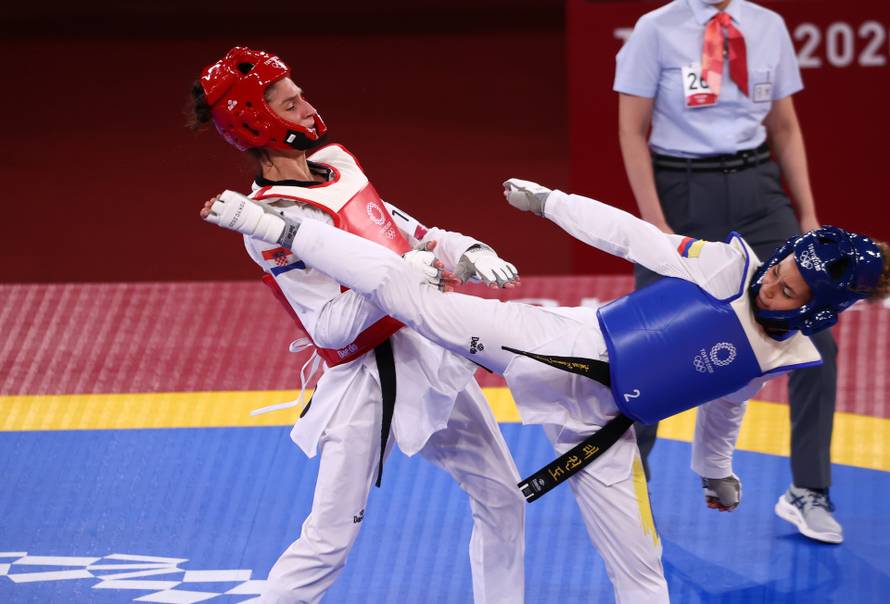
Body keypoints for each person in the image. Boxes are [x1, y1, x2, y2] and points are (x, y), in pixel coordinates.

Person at [202, 178, 886, 601]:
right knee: (411, 294)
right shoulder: (726, 266)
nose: (771, 281)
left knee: (642, 570)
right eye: (781, 266)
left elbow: (724, 404)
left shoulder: (785, 354)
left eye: (787, 287)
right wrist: (554, 204)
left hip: (605, 430)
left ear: (814, 311)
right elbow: (634, 237)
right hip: (561, 347)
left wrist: (716, 472)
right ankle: (271, 225)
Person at [189, 47, 526, 604]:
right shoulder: (271, 221)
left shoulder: (339, 166)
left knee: (502, 498)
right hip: (368, 384)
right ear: (258, 119)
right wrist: (399, 281)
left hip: (428, 355)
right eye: (287, 100)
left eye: (299, 92)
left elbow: (411, 233)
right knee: (327, 542)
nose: (306, 104)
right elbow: (329, 328)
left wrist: (466, 247)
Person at [613, 0, 844, 542]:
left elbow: (784, 127)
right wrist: (657, 231)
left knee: (818, 342)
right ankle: (627, 492)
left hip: (758, 190)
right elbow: (632, 132)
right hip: (681, 189)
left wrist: (806, 216)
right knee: (650, 349)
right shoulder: (656, 30)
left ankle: (808, 491)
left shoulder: (767, 26)